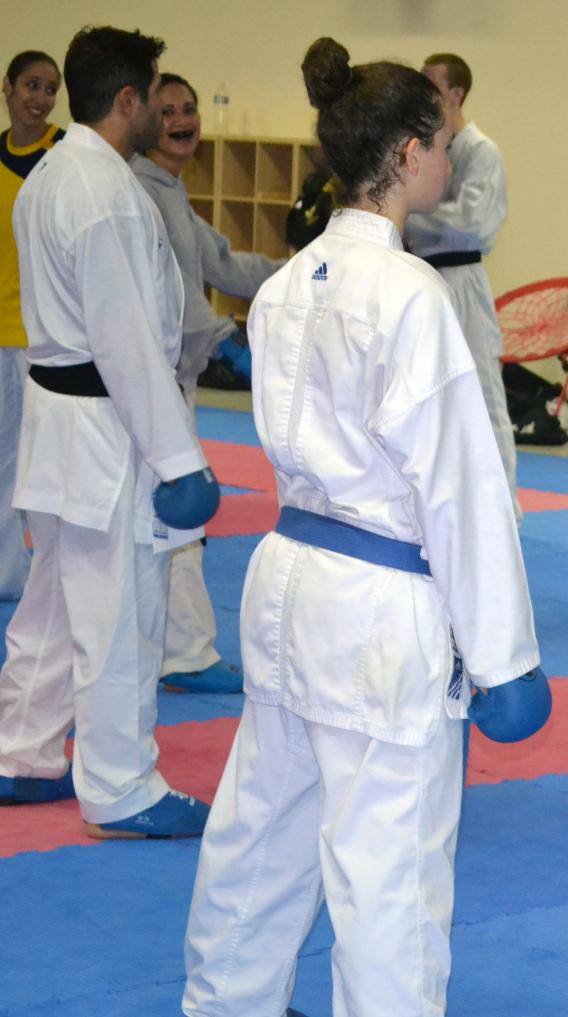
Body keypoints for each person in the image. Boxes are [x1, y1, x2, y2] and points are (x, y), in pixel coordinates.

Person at [183, 39, 550, 1017]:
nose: (448, 153)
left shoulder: (283, 287)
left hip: (288, 578)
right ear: (406, 152)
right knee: (386, 869)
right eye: (438, 139)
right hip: (379, 607)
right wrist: (504, 656)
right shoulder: (408, 298)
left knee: (262, 833)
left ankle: (224, 1004)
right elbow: (460, 493)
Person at [0, 26, 216, 837]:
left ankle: (23, 751)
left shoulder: (53, 174)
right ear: (126, 100)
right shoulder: (106, 194)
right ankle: (123, 786)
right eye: (154, 101)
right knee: (122, 609)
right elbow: (127, 342)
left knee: (54, 603)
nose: (163, 116)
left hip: (57, 422)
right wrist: (179, 458)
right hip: (109, 428)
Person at [132, 72, 280, 695]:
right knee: (179, 520)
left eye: (188, 109)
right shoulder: (144, 190)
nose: (181, 120)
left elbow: (222, 263)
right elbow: (185, 300)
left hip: (168, 380)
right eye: (166, 111)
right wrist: (227, 342)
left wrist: (305, 273)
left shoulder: (168, 190)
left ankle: (170, 649)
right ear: (141, 120)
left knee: (163, 525)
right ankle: (185, 654)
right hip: (155, 382)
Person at [404, 52, 521, 522]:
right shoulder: (427, 145)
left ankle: (504, 508)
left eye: (432, 85)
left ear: (455, 94)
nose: (424, 93)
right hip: (422, 276)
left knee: (483, 394)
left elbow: (472, 222)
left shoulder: (480, 151)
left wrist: (410, 211)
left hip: (462, 279)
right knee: (425, 392)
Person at [0, 50, 63, 600]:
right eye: (31, 85)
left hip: (37, 337)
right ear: (8, 87)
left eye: (50, 88)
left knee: (30, 466)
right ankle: (5, 573)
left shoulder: (62, 153)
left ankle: (33, 574)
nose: (39, 98)